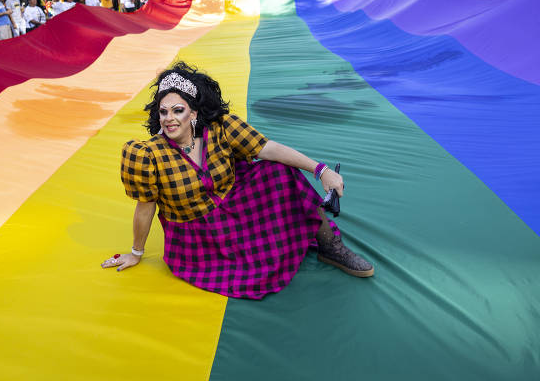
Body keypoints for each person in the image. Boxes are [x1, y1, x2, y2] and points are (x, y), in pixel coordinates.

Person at [101, 63, 374, 299]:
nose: (169, 118)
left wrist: (321, 170)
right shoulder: (146, 154)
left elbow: (267, 148)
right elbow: (145, 208)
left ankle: (330, 247)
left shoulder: (221, 128)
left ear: (193, 113)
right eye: (163, 112)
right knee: (250, 276)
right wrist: (136, 252)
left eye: (178, 110)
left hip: (238, 210)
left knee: (280, 170)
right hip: (200, 240)